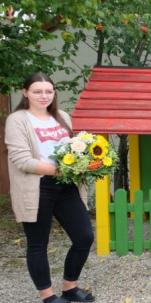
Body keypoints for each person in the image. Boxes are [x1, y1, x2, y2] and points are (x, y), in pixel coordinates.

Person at [5, 73, 95, 303]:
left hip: (66, 186)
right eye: (37, 91)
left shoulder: (62, 116)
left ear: (54, 93)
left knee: (84, 236)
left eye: (48, 91)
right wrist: (61, 170)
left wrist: (85, 163)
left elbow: (74, 149)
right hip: (37, 187)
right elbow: (22, 160)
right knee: (38, 243)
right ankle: (48, 296)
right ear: (26, 92)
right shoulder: (18, 120)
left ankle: (69, 288)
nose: (44, 95)